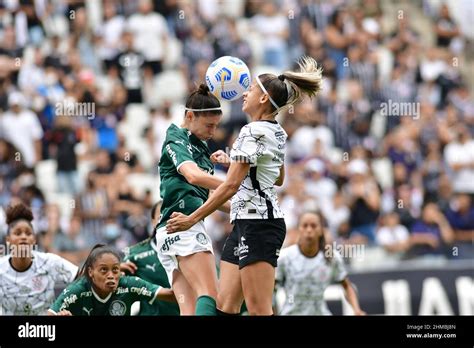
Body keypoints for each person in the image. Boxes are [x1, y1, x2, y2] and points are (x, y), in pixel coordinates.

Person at [167, 56, 323, 315]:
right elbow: (276, 177)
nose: (244, 93)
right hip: (246, 223)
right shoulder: (276, 131)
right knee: (225, 306)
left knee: (259, 309)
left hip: (260, 224)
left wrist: (191, 219)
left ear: (263, 98)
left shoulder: (252, 132)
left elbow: (230, 187)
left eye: (250, 88)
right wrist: (236, 161)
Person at [154, 84, 229, 315]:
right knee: (210, 294)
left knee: (189, 308)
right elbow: (193, 176)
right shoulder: (176, 137)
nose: (213, 132)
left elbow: (213, 199)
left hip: (170, 232)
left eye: (216, 126)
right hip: (183, 226)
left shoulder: (202, 148)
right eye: (209, 125)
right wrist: (235, 182)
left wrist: (243, 205)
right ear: (189, 115)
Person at [275, 211, 365, 315]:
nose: (309, 230)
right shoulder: (285, 257)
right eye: (305, 226)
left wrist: (356, 309)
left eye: (313, 226)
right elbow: (272, 290)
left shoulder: (331, 257)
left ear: (321, 230)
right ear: (298, 229)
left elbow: (347, 286)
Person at [48, 244, 175, 316]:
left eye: (115, 270)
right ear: (90, 272)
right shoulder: (78, 289)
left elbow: (170, 295)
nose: (111, 276)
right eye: (104, 270)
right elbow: (50, 315)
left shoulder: (129, 285)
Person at [0, 202, 78, 315]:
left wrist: (65, 307)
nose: (23, 237)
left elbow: (83, 279)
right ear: (8, 240)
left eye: (28, 233)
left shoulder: (49, 262)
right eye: (17, 233)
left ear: (34, 239)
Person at [120, 201, 180, 315]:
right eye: (161, 216)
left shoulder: (192, 250)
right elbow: (117, 286)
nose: (167, 220)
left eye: (171, 215)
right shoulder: (134, 254)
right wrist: (117, 270)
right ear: (152, 221)